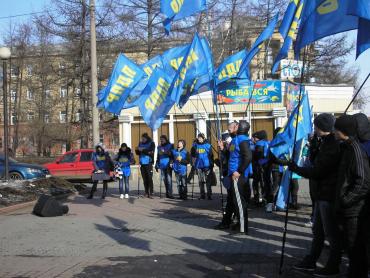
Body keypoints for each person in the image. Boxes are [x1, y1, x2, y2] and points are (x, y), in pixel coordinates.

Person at [289, 113, 342, 276]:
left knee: (332, 234)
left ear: (321, 127)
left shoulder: (333, 145)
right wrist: (313, 146)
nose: (314, 127)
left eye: (316, 125)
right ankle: (311, 260)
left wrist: (296, 169)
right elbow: (314, 161)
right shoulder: (323, 142)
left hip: (328, 194)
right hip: (320, 194)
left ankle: (333, 266)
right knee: (317, 231)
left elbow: (319, 171)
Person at [334, 115, 370, 278]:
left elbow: (363, 181)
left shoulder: (356, 149)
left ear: (343, 131)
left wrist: (346, 200)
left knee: (356, 250)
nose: (333, 132)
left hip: (354, 210)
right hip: (348, 209)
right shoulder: (347, 147)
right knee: (350, 247)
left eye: (336, 129)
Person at [227, 120, 252, 234]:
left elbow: (247, 157)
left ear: (240, 127)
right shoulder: (236, 139)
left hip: (238, 176)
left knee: (240, 203)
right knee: (236, 202)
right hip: (233, 174)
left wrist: (239, 171)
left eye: (236, 125)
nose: (233, 126)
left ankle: (243, 228)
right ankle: (239, 224)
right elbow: (233, 154)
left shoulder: (242, 140)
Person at [214, 121, 239, 230]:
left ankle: (234, 221)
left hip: (236, 175)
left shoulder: (236, 142)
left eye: (229, 130)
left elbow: (232, 158)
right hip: (229, 174)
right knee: (230, 200)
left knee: (234, 200)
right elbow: (227, 159)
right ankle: (227, 221)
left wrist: (224, 149)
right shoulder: (231, 144)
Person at [265, 127, 284, 212]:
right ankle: (269, 205)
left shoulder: (279, 142)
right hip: (275, 167)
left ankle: (276, 204)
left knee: (279, 186)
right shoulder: (275, 143)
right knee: (275, 187)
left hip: (280, 167)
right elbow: (273, 157)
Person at [251, 130, 270, 206]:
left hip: (258, 166)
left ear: (258, 138)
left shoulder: (258, 144)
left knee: (256, 183)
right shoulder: (268, 142)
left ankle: (257, 199)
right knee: (265, 183)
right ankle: (266, 199)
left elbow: (255, 156)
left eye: (255, 137)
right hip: (267, 166)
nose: (254, 139)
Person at [192, 133, 214, 200]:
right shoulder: (196, 145)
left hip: (206, 165)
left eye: (201, 138)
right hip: (199, 165)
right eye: (198, 138)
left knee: (208, 181)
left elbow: (211, 156)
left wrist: (211, 165)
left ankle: (209, 195)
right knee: (200, 181)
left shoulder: (208, 145)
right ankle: (202, 195)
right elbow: (193, 154)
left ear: (203, 138)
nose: (199, 139)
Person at [135, 133, 155, 198]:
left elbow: (151, 151)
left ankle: (151, 192)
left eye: (144, 138)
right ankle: (146, 192)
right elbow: (138, 153)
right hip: (142, 163)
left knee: (149, 178)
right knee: (144, 179)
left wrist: (143, 150)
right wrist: (137, 149)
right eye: (142, 138)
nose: (142, 139)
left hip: (149, 163)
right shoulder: (140, 143)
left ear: (147, 138)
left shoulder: (151, 143)